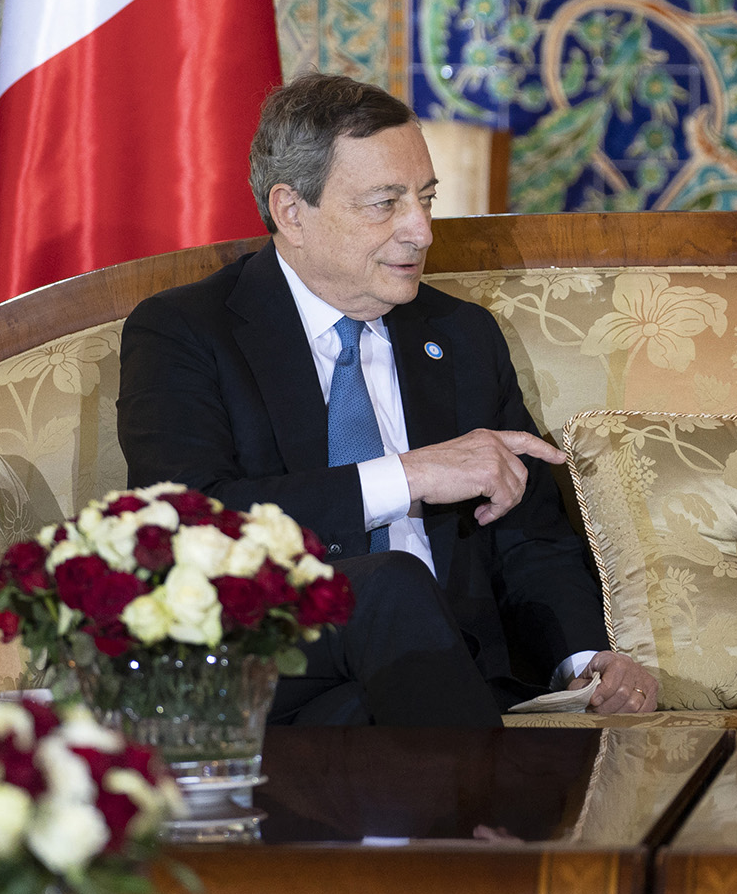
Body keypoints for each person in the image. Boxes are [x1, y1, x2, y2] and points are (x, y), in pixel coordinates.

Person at [117, 73, 660, 726]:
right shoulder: (186, 331)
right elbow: (188, 520)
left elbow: (530, 537)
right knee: (391, 581)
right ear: (291, 211)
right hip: (277, 665)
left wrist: (585, 662)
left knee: (365, 715)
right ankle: (480, 782)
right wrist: (409, 476)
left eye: (426, 199)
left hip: (430, 684)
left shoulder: (461, 335)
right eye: (385, 204)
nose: (421, 231)